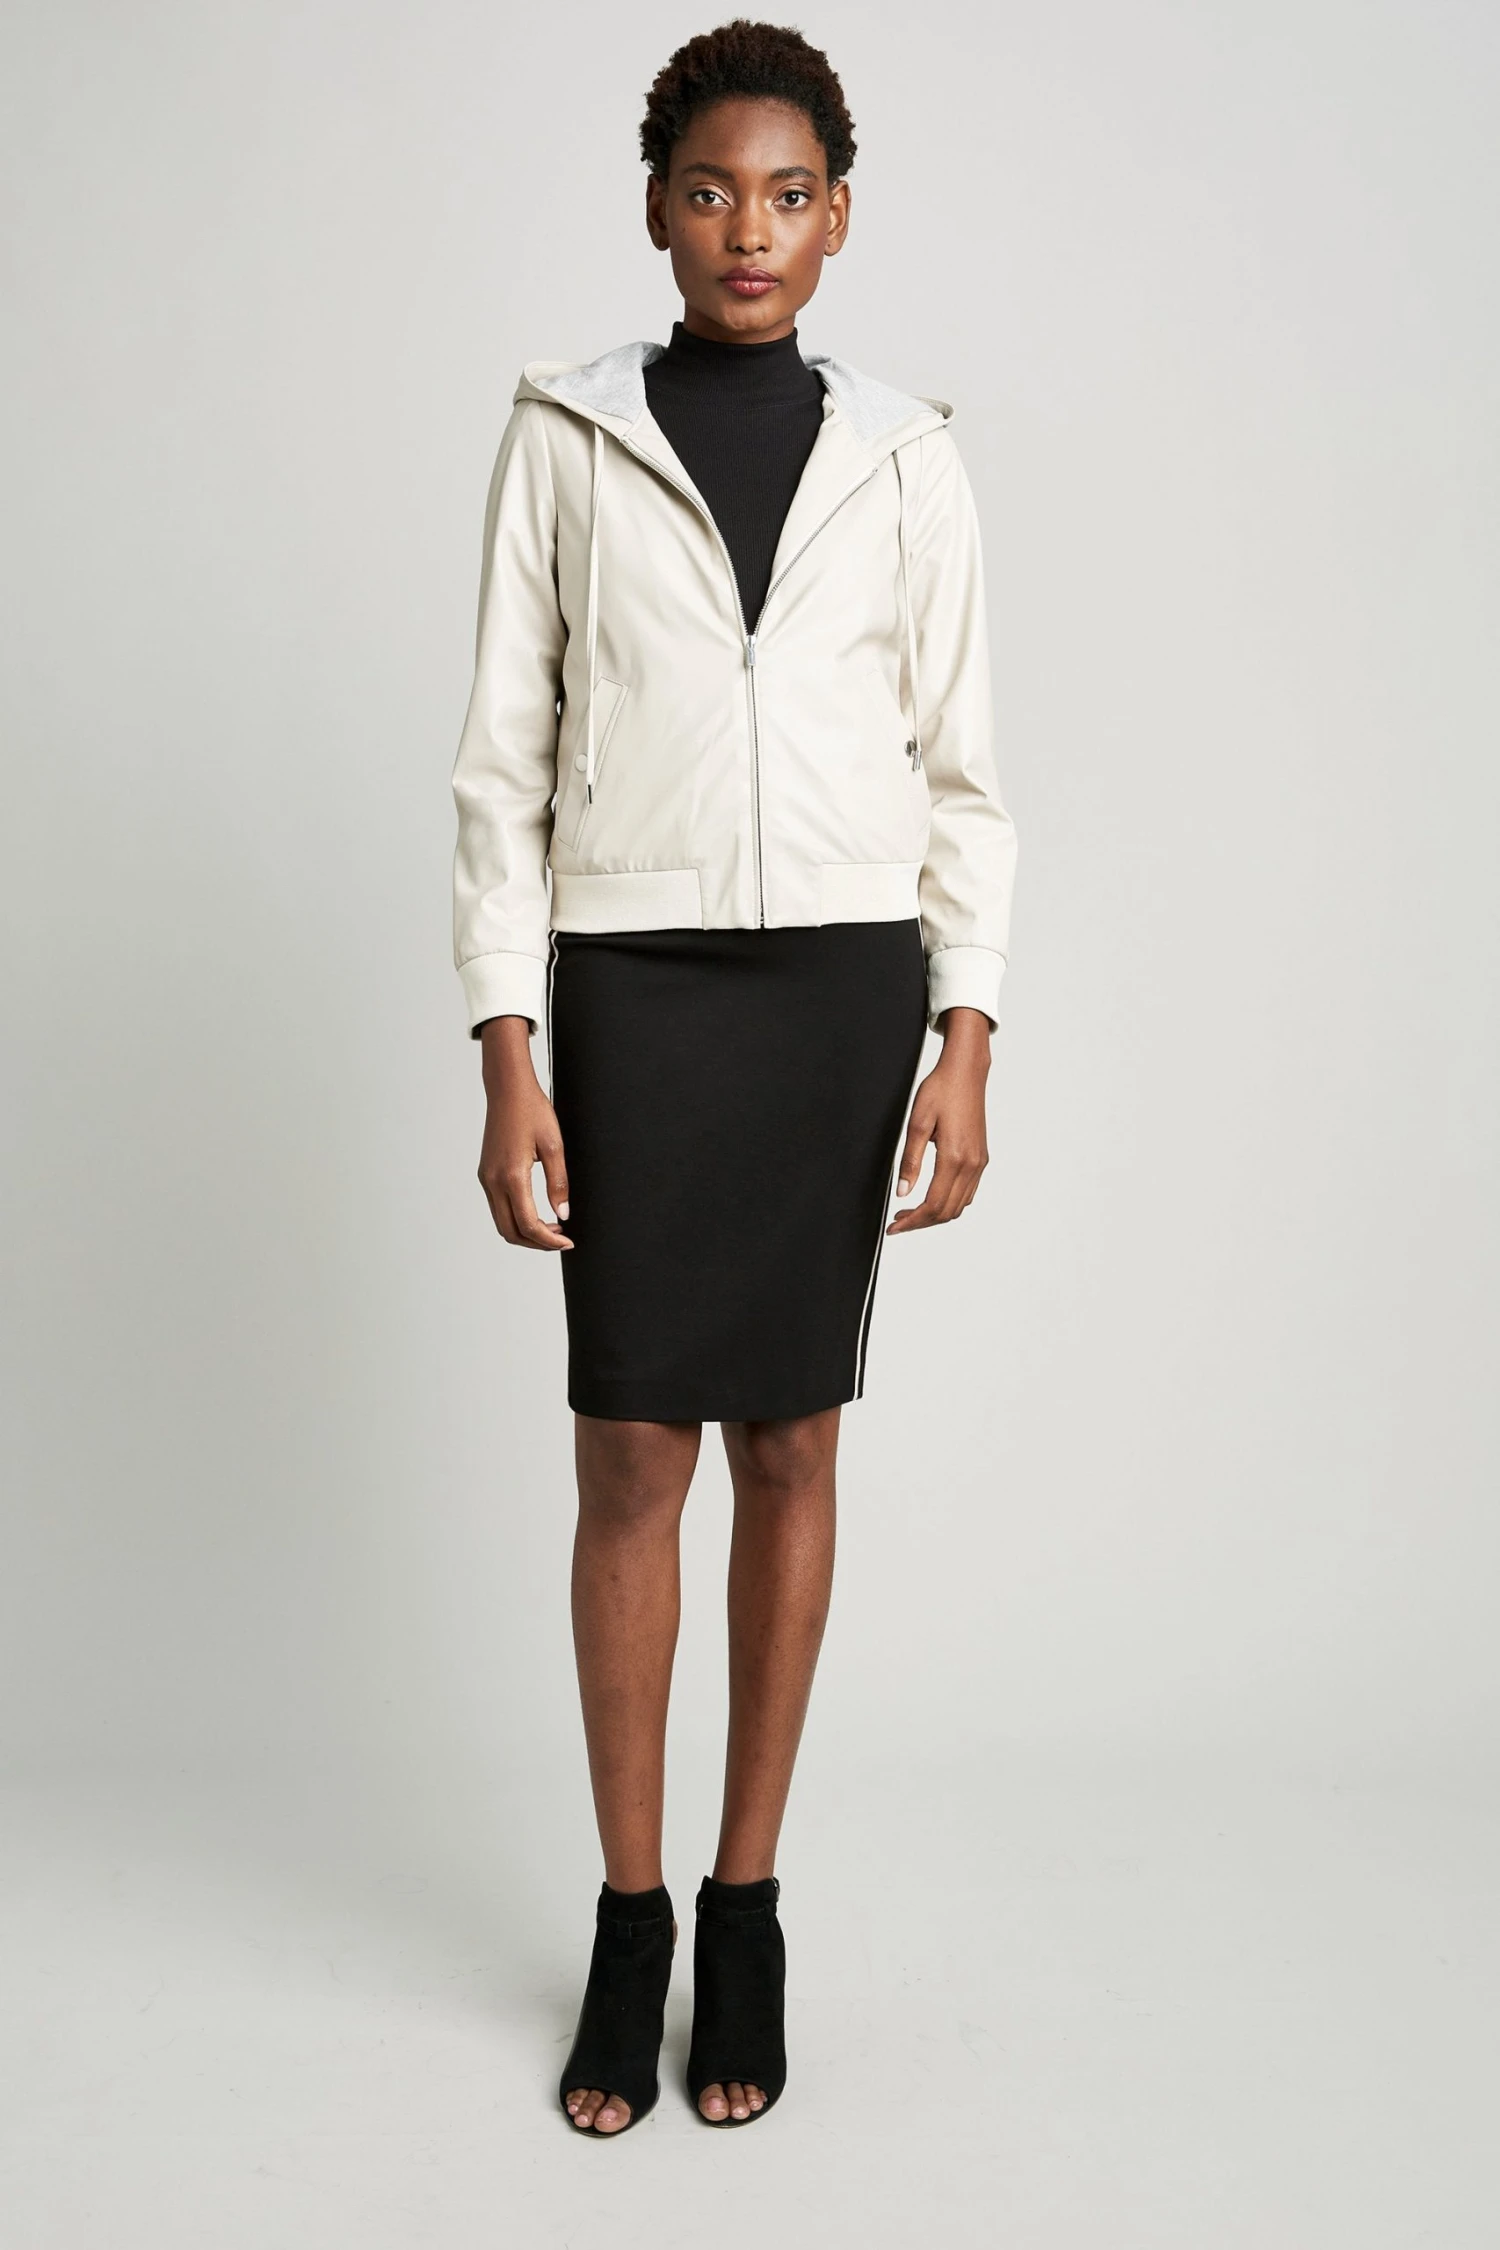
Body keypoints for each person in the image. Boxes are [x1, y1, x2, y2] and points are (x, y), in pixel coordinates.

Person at [450, 19, 1018, 2135]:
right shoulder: (567, 435)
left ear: (839, 216)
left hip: (842, 990)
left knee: (791, 1437)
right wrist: (506, 1044)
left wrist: (969, 1031)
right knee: (629, 1453)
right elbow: (499, 766)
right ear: (657, 209)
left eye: (787, 194)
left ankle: (746, 1904)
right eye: (710, 191)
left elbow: (964, 773)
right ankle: (630, 1922)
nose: (747, 229)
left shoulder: (910, 456)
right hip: (632, 977)